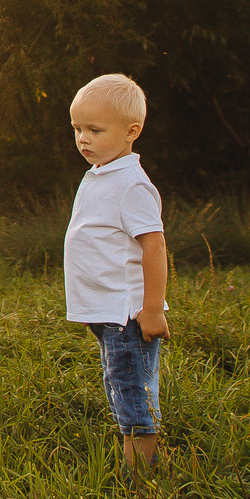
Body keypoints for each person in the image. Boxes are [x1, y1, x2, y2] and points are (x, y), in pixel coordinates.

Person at [63, 72, 169, 472]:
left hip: (127, 315)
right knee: (120, 388)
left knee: (134, 398)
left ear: (131, 132)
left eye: (94, 129)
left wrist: (153, 309)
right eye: (77, 129)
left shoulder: (131, 184)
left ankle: (142, 482)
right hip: (104, 313)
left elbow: (154, 246)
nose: (83, 138)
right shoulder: (100, 174)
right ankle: (136, 466)